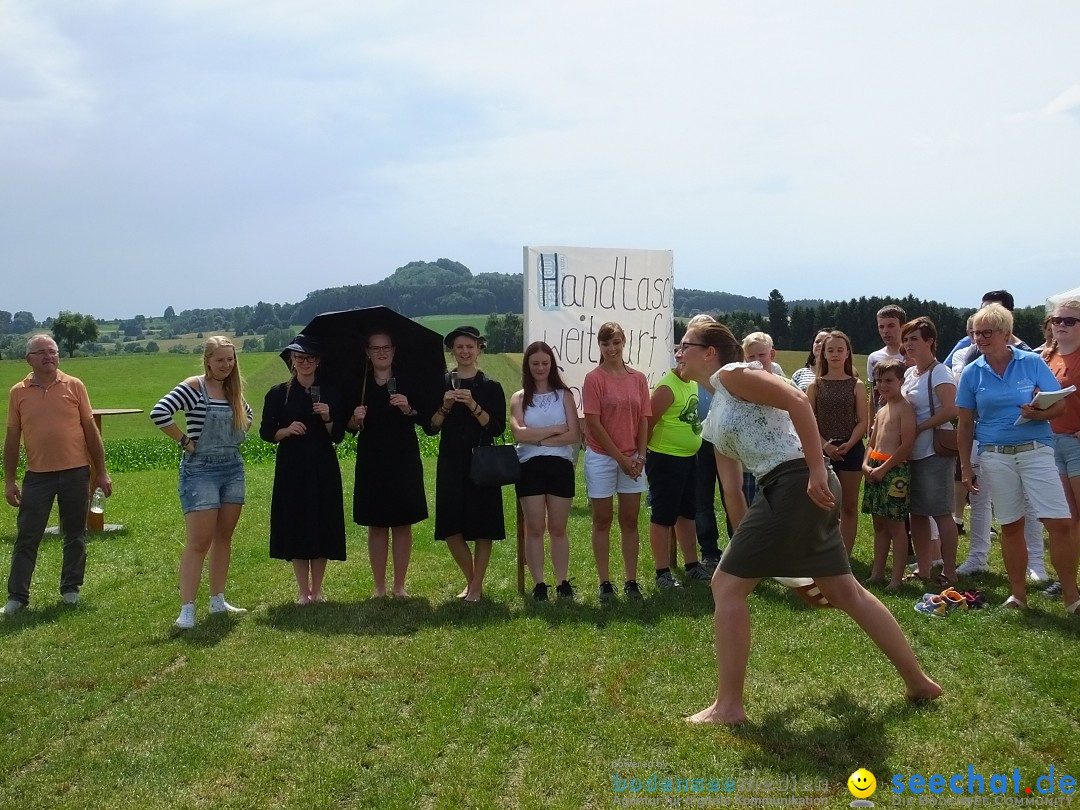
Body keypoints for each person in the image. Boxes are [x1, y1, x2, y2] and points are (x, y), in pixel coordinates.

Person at [676, 321, 940, 725]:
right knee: (845, 592)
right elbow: (732, 492)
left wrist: (818, 470)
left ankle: (728, 707)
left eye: (685, 345)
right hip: (780, 488)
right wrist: (756, 556)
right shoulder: (713, 418)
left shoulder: (734, 374)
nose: (678, 352)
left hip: (800, 479)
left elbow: (799, 402)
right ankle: (919, 682)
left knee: (725, 587)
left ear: (710, 352)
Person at [956, 304, 1078, 612]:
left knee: (1059, 523)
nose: (979, 339)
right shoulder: (972, 372)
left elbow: (1059, 408)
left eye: (987, 332)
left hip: (1036, 450)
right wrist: (965, 467)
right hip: (995, 455)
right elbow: (966, 423)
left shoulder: (1032, 362)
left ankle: (1072, 597)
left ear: (1006, 334)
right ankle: (1018, 596)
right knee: (1010, 525)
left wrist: (1038, 412)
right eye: (975, 333)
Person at [3, 335, 112, 615]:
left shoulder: (74, 385)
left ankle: (71, 589)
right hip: (37, 477)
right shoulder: (18, 392)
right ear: (28, 359)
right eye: (41, 353)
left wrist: (101, 472)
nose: (49, 357)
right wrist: (10, 480)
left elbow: (91, 430)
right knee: (28, 536)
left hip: (76, 473)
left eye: (53, 352)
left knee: (76, 534)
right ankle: (17, 597)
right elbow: (13, 438)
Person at [152, 336, 253, 630]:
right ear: (207, 360)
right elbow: (159, 413)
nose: (226, 365)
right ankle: (187, 610)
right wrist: (185, 441)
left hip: (232, 468)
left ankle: (218, 600)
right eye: (220, 359)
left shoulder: (232, 390)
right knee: (199, 541)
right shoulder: (195, 386)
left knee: (224, 537)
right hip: (201, 471)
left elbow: (248, 417)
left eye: (230, 360)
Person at [260, 336, 346, 604]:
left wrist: (328, 417)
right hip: (292, 466)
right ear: (292, 362)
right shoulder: (277, 393)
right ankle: (302, 591)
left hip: (323, 464)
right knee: (296, 522)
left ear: (318, 361)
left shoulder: (331, 392)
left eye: (309, 358)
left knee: (321, 521)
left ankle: (317, 590)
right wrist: (285, 431)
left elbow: (338, 436)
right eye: (299, 358)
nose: (304, 362)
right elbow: (265, 431)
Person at [425, 326, 506, 602]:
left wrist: (472, 404)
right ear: (452, 350)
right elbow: (431, 427)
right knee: (450, 527)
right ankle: (472, 582)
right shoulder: (441, 383)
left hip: (481, 461)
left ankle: (476, 586)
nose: (465, 352)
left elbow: (495, 428)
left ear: (479, 349)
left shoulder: (490, 386)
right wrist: (445, 406)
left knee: (484, 526)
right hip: (451, 461)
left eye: (470, 346)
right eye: (459, 347)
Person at [347, 331, 429, 599]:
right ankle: (379, 587)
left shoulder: (409, 380)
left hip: (403, 457)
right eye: (375, 348)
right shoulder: (359, 383)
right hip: (372, 459)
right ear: (367, 353)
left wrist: (408, 408)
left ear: (394, 350)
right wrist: (355, 419)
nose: (381, 352)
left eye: (386, 348)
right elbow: (349, 427)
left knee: (403, 523)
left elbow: (425, 418)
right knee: (377, 524)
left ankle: (400, 586)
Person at [582, 322, 651, 601]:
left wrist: (640, 456)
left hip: (634, 458)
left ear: (624, 343)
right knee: (602, 519)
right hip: (602, 457)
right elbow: (594, 425)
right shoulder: (594, 379)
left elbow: (644, 419)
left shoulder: (638, 379)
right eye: (605, 343)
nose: (611, 349)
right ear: (599, 346)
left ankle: (631, 580)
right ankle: (605, 582)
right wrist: (621, 459)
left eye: (616, 342)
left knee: (630, 520)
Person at [509, 342, 580, 601]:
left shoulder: (565, 395)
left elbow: (573, 434)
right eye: (535, 363)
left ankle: (562, 582)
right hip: (529, 468)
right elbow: (518, 433)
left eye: (545, 363)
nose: (540, 368)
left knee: (558, 528)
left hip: (560, 466)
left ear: (551, 365)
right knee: (535, 527)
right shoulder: (519, 397)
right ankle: (539, 584)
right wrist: (554, 429)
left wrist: (536, 438)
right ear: (528, 366)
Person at [900, 317, 959, 586]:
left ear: (929, 341)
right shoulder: (911, 374)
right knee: (917, 513)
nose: (908, 344)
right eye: (906, 339)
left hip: (934, 451)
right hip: (911, 452)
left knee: (941, 512)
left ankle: (949, 570)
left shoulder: (940, 372)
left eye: (914, 339)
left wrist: (920, 427)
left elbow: (951, 409)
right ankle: (923, 569)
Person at [645, 357, 707, 590]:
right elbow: (648, 424)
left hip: (689, 458)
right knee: (663, 516)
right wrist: (647, 455)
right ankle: (662, 572)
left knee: (687, 513)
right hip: (665, 459)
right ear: (681, 359)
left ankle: (692, 565)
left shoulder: (692, 384)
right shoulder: (666, 387)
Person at [807, 331, 868, 554]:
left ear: (847, 353)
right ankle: (822, 552)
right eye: (830, 350)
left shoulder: (857, 385)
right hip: (822, 450)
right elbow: (808, 420)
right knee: (823, 505)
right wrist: (825, 446)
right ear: (822, 353)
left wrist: (850, 443)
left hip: (850, 450)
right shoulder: (815, 385)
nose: (834, 354)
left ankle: (844, 554)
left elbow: (863, 420)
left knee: (849, 505)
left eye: (839, 350)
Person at [861, 359, 915, 590]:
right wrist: (866, 465)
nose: (883, 385)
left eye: (889, 380)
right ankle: (877, 573)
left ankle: (896, 578)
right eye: (879, 380)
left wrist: (884, 469)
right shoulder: (882, 410)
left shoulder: (905, 408)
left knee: (896, 526)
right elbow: (872, 443)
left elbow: (907, 443)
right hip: (875, 467)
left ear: (901, 381)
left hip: (894, 472)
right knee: (879, 524)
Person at [1044, 299, 1080, 602]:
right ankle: (1068, 579)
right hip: (1052, 444)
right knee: (1066, 520)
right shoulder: (1049, 356)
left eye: (1070, 321)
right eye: (1057, 320)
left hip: (1077, 445)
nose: (1061, 326)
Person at [867, 304, 907, 417]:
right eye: (881, 327)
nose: (885, 331)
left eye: (891, 326)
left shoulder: (912, 357)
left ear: (902, 327)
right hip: (881, 420)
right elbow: (872, 396)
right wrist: (870, 427)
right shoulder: (874, 358)